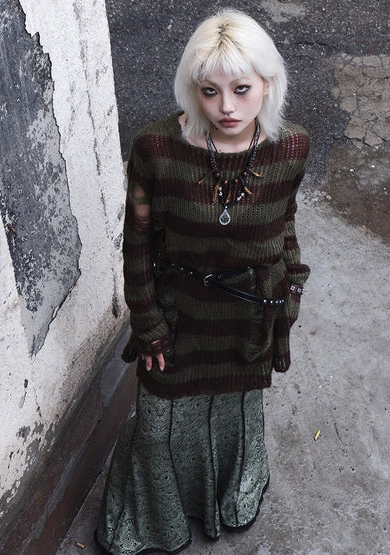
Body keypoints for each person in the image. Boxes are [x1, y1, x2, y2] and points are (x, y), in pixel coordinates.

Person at [95, 8, 310, 555]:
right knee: (157, 426)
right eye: (210, 91)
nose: (227, 107)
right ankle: (157, 522)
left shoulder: (292, 149)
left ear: (268, 84)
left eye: (241, 89)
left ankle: (229, 499)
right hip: (180, 316)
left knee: (235, 415)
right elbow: (138, 242)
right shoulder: (155, 149)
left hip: (247, 322)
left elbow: (285, 223)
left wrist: (290, 290)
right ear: (194, 89)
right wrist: (148, 322)